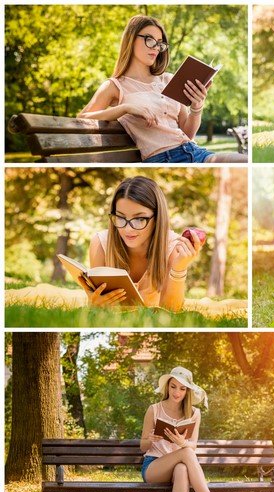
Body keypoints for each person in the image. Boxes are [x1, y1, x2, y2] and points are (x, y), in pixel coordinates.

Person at [79, 14, 247, 164]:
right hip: (163, 159)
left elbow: (188, 134)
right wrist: (125, 108)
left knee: (243, 160)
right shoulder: (115, 86)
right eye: (149, 39)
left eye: (160, 43)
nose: (156, 48)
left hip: (195, 152)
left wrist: (197, 108)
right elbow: (82, 118)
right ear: (131, 39)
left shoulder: (169, 79)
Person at [140, 366, 238, 492]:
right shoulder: (154, 410)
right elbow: (142, 446)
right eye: (173, 386)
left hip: (178, 467)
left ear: (188, 391)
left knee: (182, 466)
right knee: (186, 453)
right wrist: (151, 439)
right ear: (167, 387)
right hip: (154, 466)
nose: (177, 392)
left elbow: (193, 444)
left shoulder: (194, 413)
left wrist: (182, 442)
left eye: (182, 388)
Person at [77, 175, 203, 312]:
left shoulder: (172, 247)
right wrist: (95, 303)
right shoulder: (101, 243)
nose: (128, 229)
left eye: (139, 219)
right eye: (120, 217)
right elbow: (97, 308)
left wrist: (179, 268)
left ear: (157, 218)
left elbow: (170, 313)